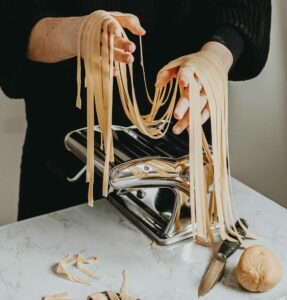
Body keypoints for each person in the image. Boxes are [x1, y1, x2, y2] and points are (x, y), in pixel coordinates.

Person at [0, 0, 271, 220]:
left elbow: (244, 7)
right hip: (65, 167)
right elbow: (12, 19)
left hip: (186, 175)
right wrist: (75, 33)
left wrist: (215, 57)